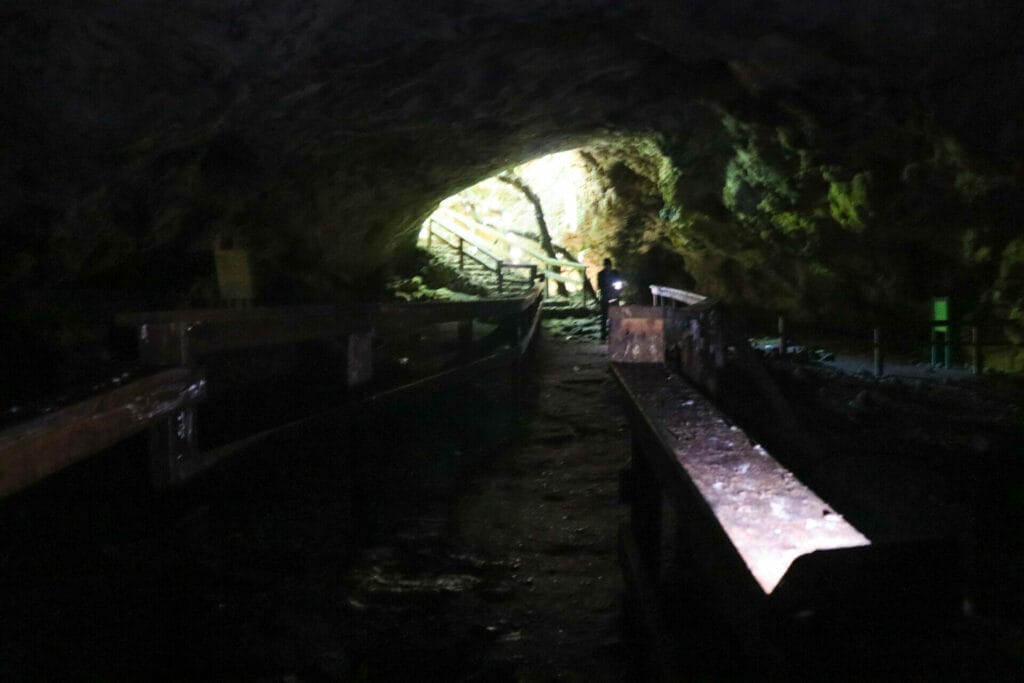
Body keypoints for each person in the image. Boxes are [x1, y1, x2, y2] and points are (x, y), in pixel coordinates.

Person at [596, 257, 623, 341]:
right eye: (606, 265)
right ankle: (603, 335)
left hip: (614, 296)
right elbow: (600, 285)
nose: (608, 267)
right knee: (604, 316)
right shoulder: (601, 274)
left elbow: (619, 284)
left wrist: (617, 291)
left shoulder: (615, 273)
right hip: (605, 296)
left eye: (608, 265)